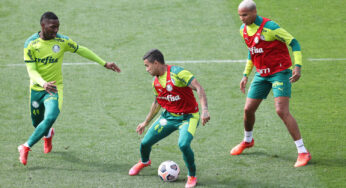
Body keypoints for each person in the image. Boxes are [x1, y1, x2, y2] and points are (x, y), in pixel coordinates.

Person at [18, 11, 121, 165]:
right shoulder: (30, 44)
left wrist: (104, 63)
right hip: (37, 89)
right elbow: (31, 70)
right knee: (38, 124)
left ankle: (25, 147)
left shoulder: (62, 41)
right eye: (53, 27)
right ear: (43, 25)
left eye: (58, 27)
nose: (56, 30)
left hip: (54, 88)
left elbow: (81, 49)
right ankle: (48, 134)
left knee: (50, 117)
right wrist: (43, 83)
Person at [230, 0, 311, 167]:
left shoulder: (271, 27)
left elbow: (294, 42)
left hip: (280, 73)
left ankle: (303, 151)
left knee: (281, 110)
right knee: (248, 109)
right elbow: (252, 52)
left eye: (244, 15)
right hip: (261, 74)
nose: (241, 18)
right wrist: (245, 74)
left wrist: (298, 67)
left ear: (254, 13)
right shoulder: (243, 30)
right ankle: (248, 140)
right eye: (239, 15)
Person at [128, 49, 210, 188]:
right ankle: (145, 161)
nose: (146, 69)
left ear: (156, 63)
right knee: (145, 143)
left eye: (147, 66)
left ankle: (192, 176)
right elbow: (157, 103)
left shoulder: (178, 73)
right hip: (169, 117)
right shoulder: (155, 82)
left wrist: (205, 110)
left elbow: (199, 88)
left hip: (188, 117)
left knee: (183, 144)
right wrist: (145, 122)